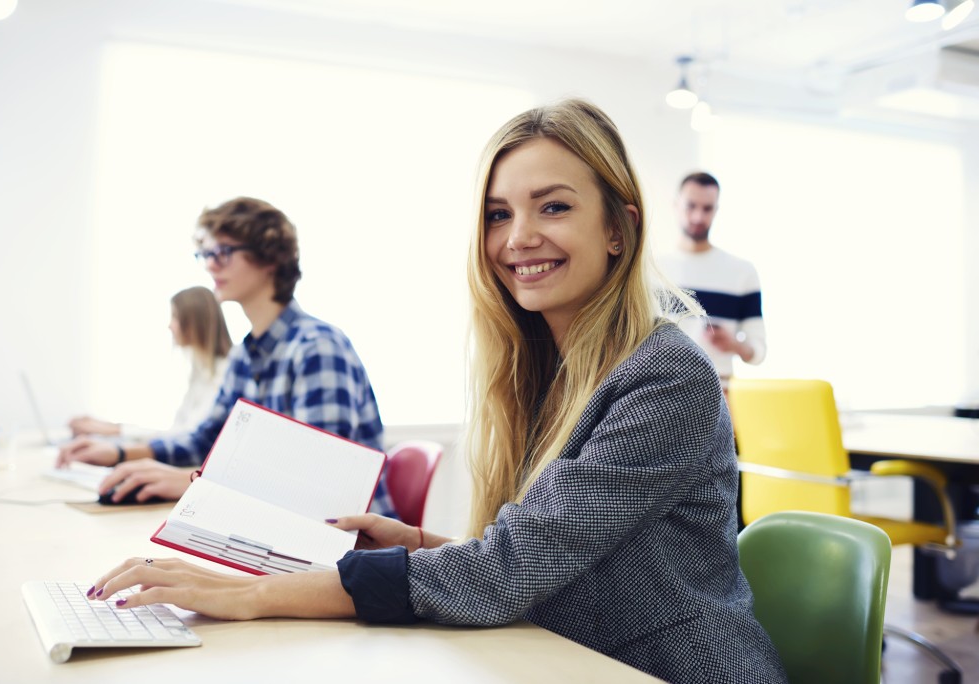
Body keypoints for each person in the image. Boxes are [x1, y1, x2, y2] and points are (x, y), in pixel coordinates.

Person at [83, 101, 786, 682]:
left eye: (554, 207)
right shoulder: (549, 369)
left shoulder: (664, 376)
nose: (519, 237)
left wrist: (254, 594)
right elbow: (555, 561)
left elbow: (510, 572)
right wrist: (425, 545)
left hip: (671, 669)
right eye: (498, 214)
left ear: (618, 227)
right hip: (575, 657)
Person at [57, 197, 396, 518]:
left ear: (270, 258)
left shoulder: (316, 346)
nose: (209, 265)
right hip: (286, 532)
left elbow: (319, 481)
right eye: (205, 254)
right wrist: (118, 454)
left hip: (351, 551)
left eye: (224, 252)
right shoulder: (245, 355)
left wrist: (193, 482)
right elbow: (206, 439)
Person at [67, 286, 232, 440]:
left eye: (175, 317)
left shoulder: (224, 374)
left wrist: (112, 430)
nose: (170, 326)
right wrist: (105, 427)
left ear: (195, 321)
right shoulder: (200, 370)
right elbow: (175, 430)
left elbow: (187, 436)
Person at [657, 172, 766, 389]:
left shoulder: (742, 272)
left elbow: (759, 351)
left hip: (719, 390)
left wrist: (736, 345)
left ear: (716, 210)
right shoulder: (652, 270)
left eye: (707, 208)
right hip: (661, 388)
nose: (698, 217)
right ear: (676, 205)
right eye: (691, 206)